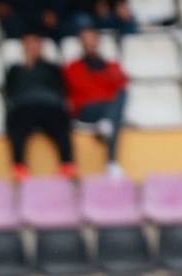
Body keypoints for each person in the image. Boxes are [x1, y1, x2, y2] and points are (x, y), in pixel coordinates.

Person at [4, 32, 75, 180]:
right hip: (24, 107)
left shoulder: (52, 68)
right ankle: (19, 166)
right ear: (23, 46)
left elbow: (61, 89)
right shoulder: (15, 69)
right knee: (16, 124)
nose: (32, 47)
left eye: (35, 43)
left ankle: (68, 164)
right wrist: (26, 67)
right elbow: (9, 91)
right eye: (28, 43)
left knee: (61, 122)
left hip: (49, 107)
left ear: (41, 46)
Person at [63, 21, 128, 177]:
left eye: (92, 38)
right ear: (81, 42)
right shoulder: (73, 67)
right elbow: (81, 91)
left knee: (122, 97)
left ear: (98, 41)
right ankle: (112, 162)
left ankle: (106, 124)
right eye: (86, 39)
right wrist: (104, 81)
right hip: (86, 110)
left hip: (107, 107)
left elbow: (121, 83)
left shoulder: (110, 65)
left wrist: (104, 74)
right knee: (114, 116)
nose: (89, 42)